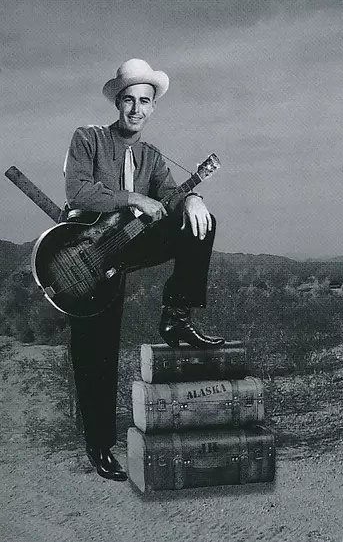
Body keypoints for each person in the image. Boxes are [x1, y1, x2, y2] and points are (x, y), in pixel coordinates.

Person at [64, 58, 225, 481]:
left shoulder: (152, 156)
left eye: (145, 101)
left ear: (153, 107)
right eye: (129, 100)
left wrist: (193, 198)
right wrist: (132, 198)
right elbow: (78, 191)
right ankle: (100, 446)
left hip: (127, 248)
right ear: (118, 102)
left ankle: (176, 315)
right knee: (96, 353)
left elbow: (169, 194)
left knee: (200, 222)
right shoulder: (88, 138)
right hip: (85, 258)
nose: (136, 109)